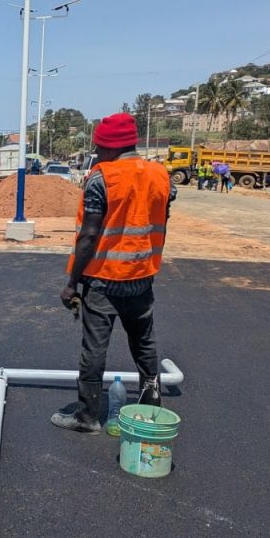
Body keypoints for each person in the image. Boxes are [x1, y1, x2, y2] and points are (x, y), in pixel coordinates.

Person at [53, 113, 177, 434]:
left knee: (94, 350)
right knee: (144, 345)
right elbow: (158, 218)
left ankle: (88, 417)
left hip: (104, 281)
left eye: (99, 147)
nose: (97, 153)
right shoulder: (161, 175)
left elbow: (89, 236)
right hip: (141, 277)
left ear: (110, 146)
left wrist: (72, 283)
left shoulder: (102, 179)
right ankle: (152, 408)